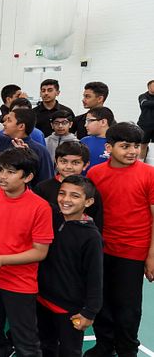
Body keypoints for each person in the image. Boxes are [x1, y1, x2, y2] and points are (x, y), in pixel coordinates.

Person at [0, 148, 53, 357]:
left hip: (20, 284)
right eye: (2, 170)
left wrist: (1, 260)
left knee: (26, 343)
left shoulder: (40, 208)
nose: (3, 176)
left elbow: (40, 252)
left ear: (28, 177)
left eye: (11, 172)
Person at [85, 123, 154, 357]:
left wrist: (151, 256)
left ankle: (127, 348)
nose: (132, 151)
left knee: (127, 307)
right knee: (101, 301)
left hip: (133, 250)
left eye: (136, 146)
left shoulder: (149, 174)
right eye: (125, 146)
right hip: (101, 249)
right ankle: (104, 345)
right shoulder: (95, 173)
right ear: (109, 147)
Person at [37, 175, 103, 357]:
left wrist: (89, 312)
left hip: (70, 310)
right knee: (44, 346)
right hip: (43, 301)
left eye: (75, 196)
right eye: (62, 193)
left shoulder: (91, 237)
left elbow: (95, 277)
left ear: (88, 202)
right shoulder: (53, 219)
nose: (65, 200)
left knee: (69, 351)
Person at [33, 141, 103, 230]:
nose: (68, 166)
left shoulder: (91, 191)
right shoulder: (42, 188)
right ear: (56, 162)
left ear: (85, 165)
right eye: (63, 161)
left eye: (75, 163)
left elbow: (97, 223)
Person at [81, 107, 115, 171]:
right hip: (83, 180)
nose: (85, 125)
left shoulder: (115, 144)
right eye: (86, 121)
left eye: (89, 121)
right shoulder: (83, 141)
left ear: (103, 122)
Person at [137, 79, 154, 160]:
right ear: (149, 87)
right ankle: (140, 162)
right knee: (143, 145)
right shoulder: (143, 96)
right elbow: (144, 104)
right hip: (145, 125)